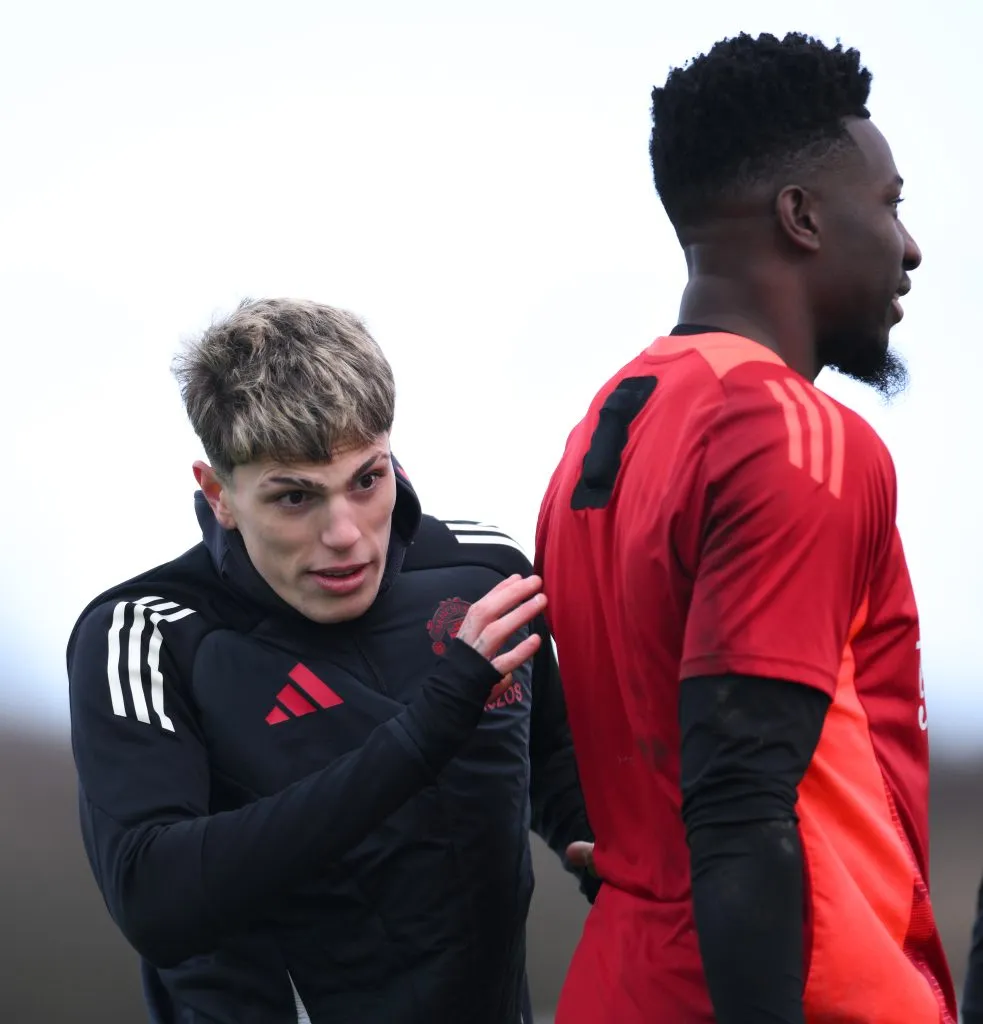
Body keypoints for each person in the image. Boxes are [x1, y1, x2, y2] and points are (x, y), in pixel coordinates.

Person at [535, 31, 956, 1024]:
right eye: (888, 205)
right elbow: (737, 801)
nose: (908, 247)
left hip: (624, 984)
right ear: (799, 217)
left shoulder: (602, 428)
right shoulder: (790, 433)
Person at [67, 297, 597, 1024]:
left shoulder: (483, 570)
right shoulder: (147, 637)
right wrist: (425, 731)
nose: (344, 532)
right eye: (294, 497)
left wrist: (610, 857)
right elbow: (154, 901)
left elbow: (553, 759)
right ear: (219, 494)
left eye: (366, 480)